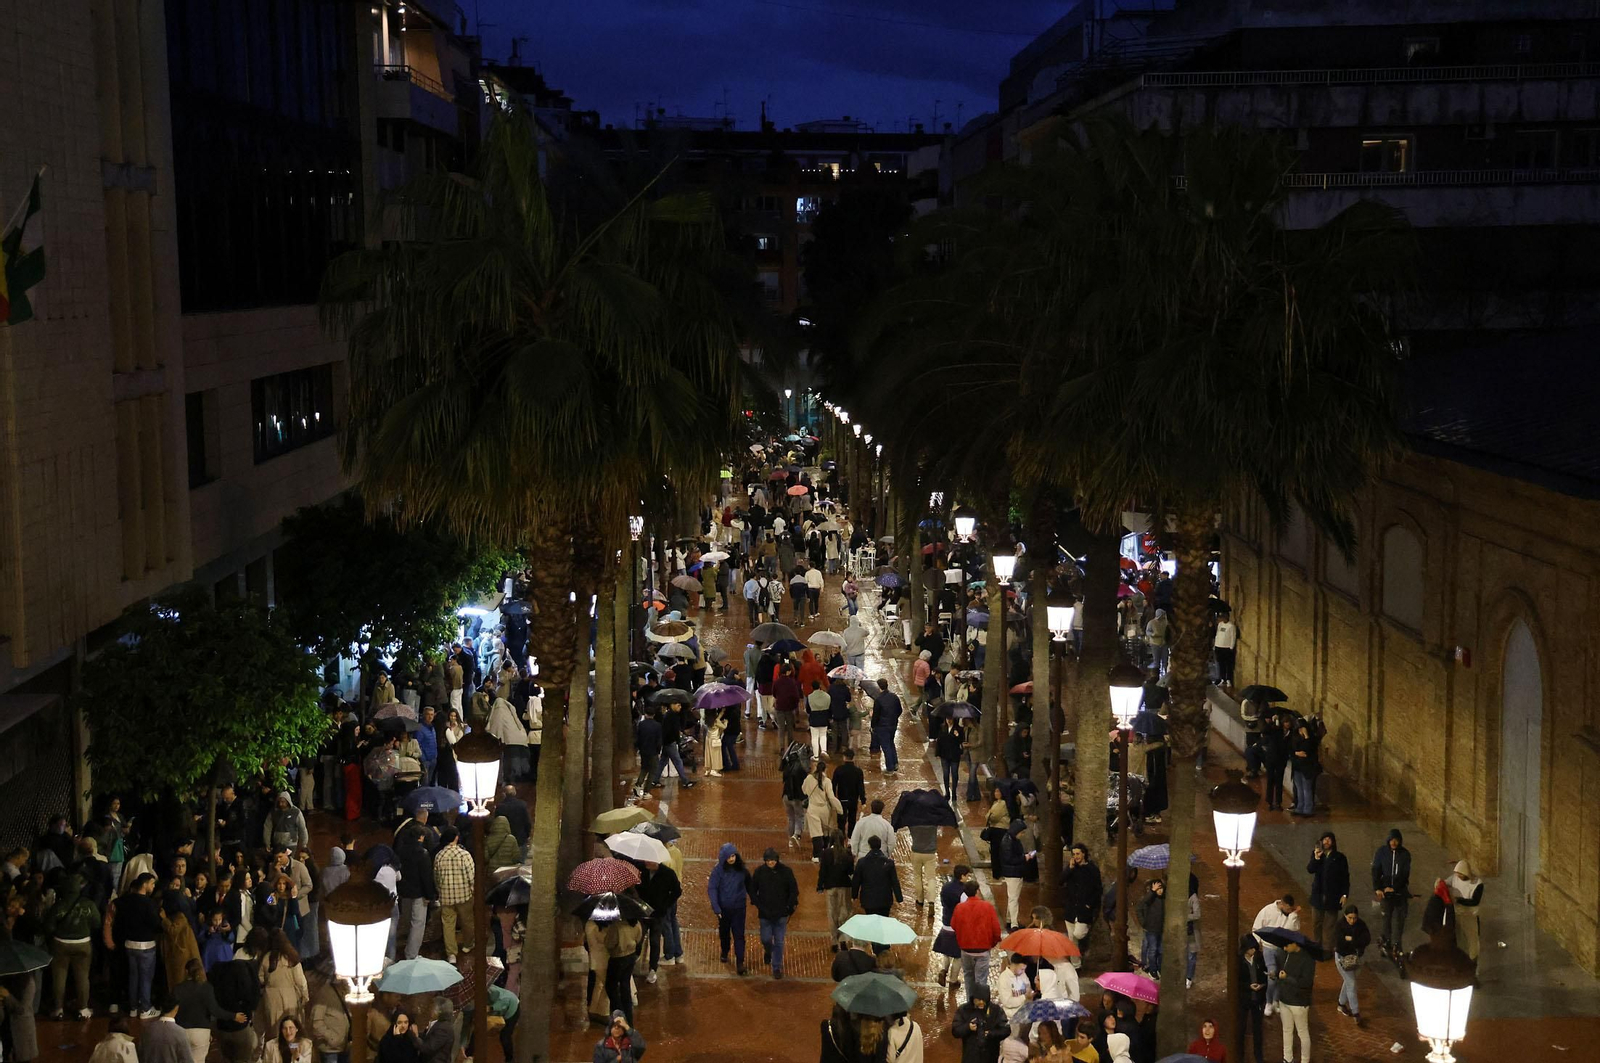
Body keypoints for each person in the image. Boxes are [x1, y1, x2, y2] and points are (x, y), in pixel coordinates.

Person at [43, 872, 99, 1019]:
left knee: (59, 977)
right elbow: (97, 923)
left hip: (61, 943)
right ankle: (83, 1009)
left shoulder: (59, 905)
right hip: (83, 943)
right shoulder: (89, 904)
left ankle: (58, 1009)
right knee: (82, 977)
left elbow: (48, 926)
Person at [173, 959, 246, 1063]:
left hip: (181, 1031)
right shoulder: (207, 988)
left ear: (186, 971)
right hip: (201, 1033)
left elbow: (171, 1011)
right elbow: (215, 1011)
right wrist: (234, 1016)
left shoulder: (178, 989)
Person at [749, 848, 799, 980]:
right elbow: (753, 891)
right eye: (768, 861)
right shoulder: (759, 873)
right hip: (765, 914)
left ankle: (776, 966)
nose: (770, 863)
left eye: (772, 860)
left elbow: (793, 890)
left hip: (781, 914)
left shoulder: (786, 872)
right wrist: (758, 905)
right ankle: (768, 951)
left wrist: (789, 907)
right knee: (765, 939)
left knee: (779, 941)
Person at [952, 880, 1004, 1000]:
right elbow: (996, 929)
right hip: (983, 950)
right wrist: (992, 943)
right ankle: (980, 1003)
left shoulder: (959, 908)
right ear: (977, 891)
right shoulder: (987, 907)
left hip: (965, 949)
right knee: (981, 979)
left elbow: (954, 925)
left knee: (968, 977)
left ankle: (970, 1002)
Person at [1250, 895, 1299, 1016]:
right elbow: (1256, 927)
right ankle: (1268, 1002)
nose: (1289, 911)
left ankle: (1276, 1001)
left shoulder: (1291, 915)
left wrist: (1293, 916)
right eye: (1288, 909)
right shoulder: (1267, 911)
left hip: (1282, 948)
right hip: (1268, 948)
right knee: (1272, 975)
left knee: (1280, 975)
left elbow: (1295, 929)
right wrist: (1257, 945)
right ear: (1282, 904)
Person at [432, 826, 475, 963]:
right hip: (464, 895)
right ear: (456, 837)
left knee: (448, 924)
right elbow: (471, 876)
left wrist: (440, 890)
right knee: (467, 921)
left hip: (446, 896)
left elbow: (436, 877)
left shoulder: (439, 855)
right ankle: (468, 944)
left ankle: (451, 953)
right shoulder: (464, 855)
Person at [707, 843, 750, 975]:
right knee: (724, 933)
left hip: (739, 908)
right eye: (729, 857)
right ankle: (725, 951)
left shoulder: (742, 870)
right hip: (724, 910)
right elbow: (712, 888)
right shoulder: (718, 871)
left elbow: (750, 884)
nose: (731, 859)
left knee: (739, 935)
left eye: (733, 856)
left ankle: (740, 962)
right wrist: (716, 908)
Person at [395, 826, 436, 960]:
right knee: (418, 923)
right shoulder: (422, 853)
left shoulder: (401, 851)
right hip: (419, 893)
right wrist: (430, 895)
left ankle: (405, 944)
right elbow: (426, 876)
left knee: (406, 920)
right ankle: (411, 954)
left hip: (404, 892)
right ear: (420, 837)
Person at [1370, 829, 1412, 961]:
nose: (1393, 843)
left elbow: (1405, 874)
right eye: (1391, 840)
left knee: (1400, 918)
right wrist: (1378, 888)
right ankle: (1386, 940)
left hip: (1399, 892)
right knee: (1386, 917)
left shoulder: (1405, 855)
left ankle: (1397, 944)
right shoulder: (1381, 852)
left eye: (1396, 840)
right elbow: (1376, 870)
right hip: (1385, 891)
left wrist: (1394, 888)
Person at [1305, 832, 1349, 950]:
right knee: (1316, 923)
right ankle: (1317, 945)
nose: (1327, 841)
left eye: (1329, 839)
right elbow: (1310, 869)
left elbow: (1345, 877)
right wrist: (1316, 858)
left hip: (1333, 897)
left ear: (1333, 842)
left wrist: (1344, 894)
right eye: (1325, 839)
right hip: (1318, 896)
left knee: (1330, 925)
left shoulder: (1340, 858)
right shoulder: (1317, 855)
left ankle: (1327, 949)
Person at [1275, 941, 1315, 1063]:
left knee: (1302, 1032)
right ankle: (1287, 1058)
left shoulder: (1308, 959)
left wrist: (1287, 978)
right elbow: (1280, 972)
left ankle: (1305, 1060)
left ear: (1294, 944)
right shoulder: (1285, 954)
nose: (1284, 948)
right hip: (1284, 999)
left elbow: (1306, 982)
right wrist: (1277, 975)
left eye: (1287, 945)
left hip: (1299, 1002)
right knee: (1286, 1030)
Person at [1063, 844, 1100, 968]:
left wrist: (1089, 905)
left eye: (1078, 854)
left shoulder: (1092, 869)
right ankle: (1076, 965)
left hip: (1084, 910)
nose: (1076, 856)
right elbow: (1060, 880)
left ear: (1083, 853)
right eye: (1073, 854)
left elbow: (1097, 889)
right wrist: (1069, 869)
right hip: (1071, 909)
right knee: (1071, 940)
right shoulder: (1071, 868)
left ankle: (1083, 946)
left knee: (1078, 934)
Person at [994, 820, 1036, 931]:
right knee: (1014, 899)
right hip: (1013, 873)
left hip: (1014, 872)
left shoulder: (1010, 839)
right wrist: (1024, 858)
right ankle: (1014, 924)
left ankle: (1009, 920)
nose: (1022, 835)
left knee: (1012, 897)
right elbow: (1009, 859)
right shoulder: (1009, 842)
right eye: (1021, 832)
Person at [1332, 904, 1371, 1024]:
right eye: (1350, 917)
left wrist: (1351, 939)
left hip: (1357, 959)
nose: (1352, 920)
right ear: (1345, 916)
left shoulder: (1361, 924)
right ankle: (1356, 1012)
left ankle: (1341, 1004)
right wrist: (1356, 941)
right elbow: (1340, 943)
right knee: (1352, 983)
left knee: (1349, 981)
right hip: (1343, 959)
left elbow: (1367, 939)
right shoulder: (1340, 925)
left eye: (1354, 918)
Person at [818, 831, 856, 951]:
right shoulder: (847, 853)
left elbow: (822, 871)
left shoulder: (825, 853)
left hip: (830, 887)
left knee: (832, 913)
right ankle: (843, 939)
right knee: (845, 913)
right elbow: (851, 871)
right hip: (845, 887)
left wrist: (820, 886)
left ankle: (834, 941)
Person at [952, 985, 1009, 1063]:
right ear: (973, 998)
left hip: (990, 1056)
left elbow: (1006, 1030)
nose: (981, 1002)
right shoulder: (964, 1010)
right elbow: (955, 1031)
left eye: (984, 1000)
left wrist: (991, 1033)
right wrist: (968, 1027)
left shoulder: (996, 1010)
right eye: (979, 1000)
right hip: (970, 1057)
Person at [852, 835, 903, 917]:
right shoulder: (889, 862)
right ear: (880, 845)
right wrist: (899, 898)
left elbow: (856, 880)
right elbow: (894, 881)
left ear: (869, 846)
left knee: (871, 923)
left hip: (868, 900)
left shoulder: (862, 862)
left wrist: (854, 895)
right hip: (885, 900)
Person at [803, 761, 845, 862]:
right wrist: (840, 809)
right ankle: (826, 851)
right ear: (825, 769)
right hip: (825, 809)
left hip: (813, 808)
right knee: (826, 830)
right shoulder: (827, 781)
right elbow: (831, 797)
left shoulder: (809, 778)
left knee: (816, 832)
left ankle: (817, 855)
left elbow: (804, 790)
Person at [1447, 859, 1484, 963]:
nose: (1458, 876)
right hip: (1457, 914)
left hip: (1470, 915)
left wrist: (1458, 900)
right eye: (1457, 873)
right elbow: (1446, 883)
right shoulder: (1454, 878)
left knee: (1472, 940)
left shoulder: (1477, 884)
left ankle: (1473, 962)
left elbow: (1475, 901)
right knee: (1459, 939)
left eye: (1460, 874)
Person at [1236, 936, 1267, 1063]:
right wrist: (1248, 986)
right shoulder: (1238, 961)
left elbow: (1264, 975)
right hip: (1244, 999)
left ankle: (1258, 1056)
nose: (1253, 950)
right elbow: (1236, 981)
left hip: (1257, 999)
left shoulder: (1260, 958)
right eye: (1250, 948)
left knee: (1258, 1030)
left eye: (1254, 948)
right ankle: (1240, 1056)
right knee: (1241, 1028)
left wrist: (1262, 985)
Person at [138, 998, 193, 1063]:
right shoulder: (180, 1033)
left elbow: (140, 1053)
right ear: (176, 1009)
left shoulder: (147, 1029)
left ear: (161, 1008)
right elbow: (187, 1060)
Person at [994, 953, 1035, 1031]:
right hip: (1013, 1018)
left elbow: (1028, 988)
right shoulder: (1004, 979)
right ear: (1014, 965)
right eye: (1022, 969)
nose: (1023, 972)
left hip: (1026, 1015)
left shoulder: (1023, 975)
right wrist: (1024, 997)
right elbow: (1007, 1002)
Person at [870, 680, 903, 774]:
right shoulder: (894, 697)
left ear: (879, 687)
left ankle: (890, 768)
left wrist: (873, 726)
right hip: (893, 725)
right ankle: (895, 763)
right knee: (891, 743)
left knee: (886, 746)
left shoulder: (878, 700)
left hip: (882, 727)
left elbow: (876, 715)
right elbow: (900, 710)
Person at [1259, 715, 1291, 812]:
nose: (1287, 724)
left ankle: (1278, 802)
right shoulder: (1276, 730)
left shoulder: (1291, 733)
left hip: (1282, 760)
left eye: (1289, 722)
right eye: (1286, 722)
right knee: (1270, 780)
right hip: (1272, 759)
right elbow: (1265, 731)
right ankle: (1269, 802)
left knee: (1279, 782)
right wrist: (1271, 722)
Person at [833, 751, 867, 839]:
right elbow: (860, 786)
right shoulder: (858, 771)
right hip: (853, 799)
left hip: (842, 799)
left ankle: (841, 836)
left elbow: (833, 784)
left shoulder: (839, 769)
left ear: (844, 757)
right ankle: (850, 837)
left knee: (841, 819)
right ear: (853, 758)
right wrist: (863, 800)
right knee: (852, 818)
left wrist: (833, 798)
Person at [1135, 880, 1165, 980]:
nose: (1160, 891)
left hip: (1161, 929)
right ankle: (1153, 969)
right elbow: (1142, 904)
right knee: (1153, 950)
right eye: (1158, 888)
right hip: (1151, 929)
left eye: (1161, 888)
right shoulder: (1150, 899)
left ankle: (1160, 968)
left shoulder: (1164, 899)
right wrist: (1144, 922)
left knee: (1160, 950)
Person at [1289, 721, 1320, 816]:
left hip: (1307, 767)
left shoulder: (1311, 739)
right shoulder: (1294, 738)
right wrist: (1296, 753)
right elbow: (1290, 750)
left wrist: (1306, 736)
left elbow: (1307, 750)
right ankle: (1299, 808)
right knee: (1299, 788)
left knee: (1307, 788)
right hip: (1297, 766)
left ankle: (1308, 809)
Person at [1213, 614, 1238, 687]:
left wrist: (1231, 647)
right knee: (1221, 664)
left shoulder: (1231, 626)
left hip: (1226, 647)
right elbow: (1218, 634)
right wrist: (1215, 645)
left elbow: (1233, 636)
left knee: (1228, 664)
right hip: (1219, 646)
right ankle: (1222, 679)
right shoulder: (1220, 624)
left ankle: (1228, 680)